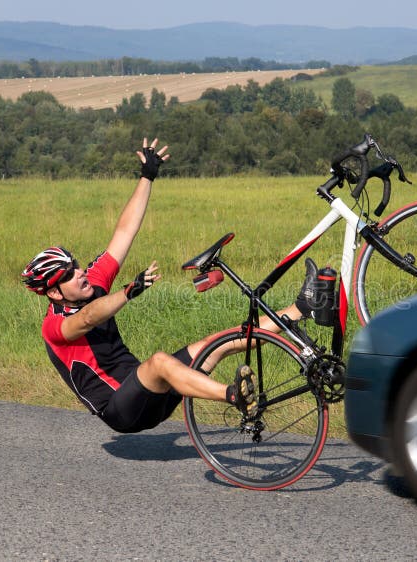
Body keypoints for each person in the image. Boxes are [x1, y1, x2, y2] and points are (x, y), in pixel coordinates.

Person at [22, 138, 315, 434]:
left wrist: (147, 176)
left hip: (152, 394)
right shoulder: (54, 327)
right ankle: (234, 395)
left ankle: (302, 307)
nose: (80, 272)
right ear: (54, 293)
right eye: (69, 275)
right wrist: (127, 292)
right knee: (159, 361)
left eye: (76, 265)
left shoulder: (92, 283)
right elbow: (87, 318)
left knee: (212, 345)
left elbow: (125, 230)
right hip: (120, 410)